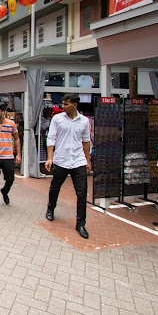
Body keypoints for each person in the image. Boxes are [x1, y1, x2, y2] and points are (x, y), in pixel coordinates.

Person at [45, 93, 91, 239]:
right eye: (62, 104)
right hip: (61, 160)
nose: (62, 107)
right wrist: (50, 158)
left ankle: (81, 224)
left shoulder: (84, 121)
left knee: (82, 193)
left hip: (78, 161)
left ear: (75, 105)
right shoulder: (57, 119)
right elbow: (51, 138)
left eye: (66, 104)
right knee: (55, 187)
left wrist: (88, 160)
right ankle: (50, 209)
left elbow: (86, 141)